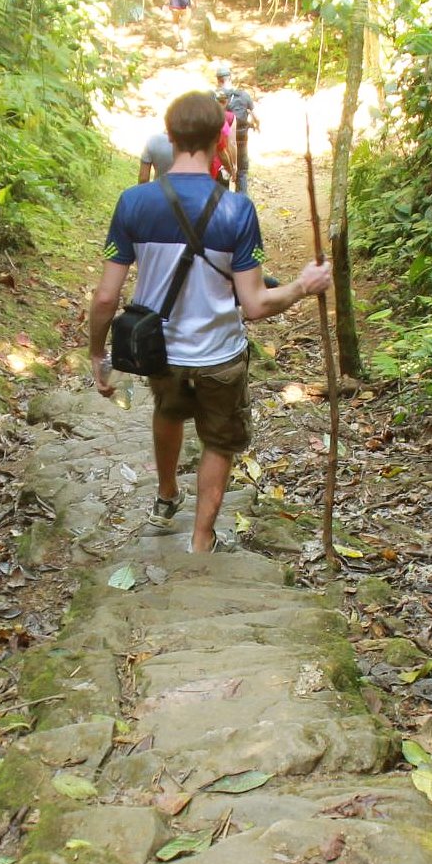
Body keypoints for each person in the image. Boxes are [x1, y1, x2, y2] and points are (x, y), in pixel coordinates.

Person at [89, 90, 330, 554]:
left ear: (170, 135)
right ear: (221, 140)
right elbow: (255, 304)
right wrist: (303, 285)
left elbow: (105, 296)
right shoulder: (237, 210)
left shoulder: (133, 203)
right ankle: (201, 540)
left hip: (159, 350)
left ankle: (165, 498)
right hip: (221, 354)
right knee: (219, 439)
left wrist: (98, 354)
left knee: (168, 411)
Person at [215, 65, 256, 191]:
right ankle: (242, 201)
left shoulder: (215, 96)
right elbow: (256, 114)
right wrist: (256, 125)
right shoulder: (243, 94)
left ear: (218, 80)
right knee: (242, 172)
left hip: (223, 141)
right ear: (230, 78)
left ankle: (222, 203)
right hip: (241, 136)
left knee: (221, 172)